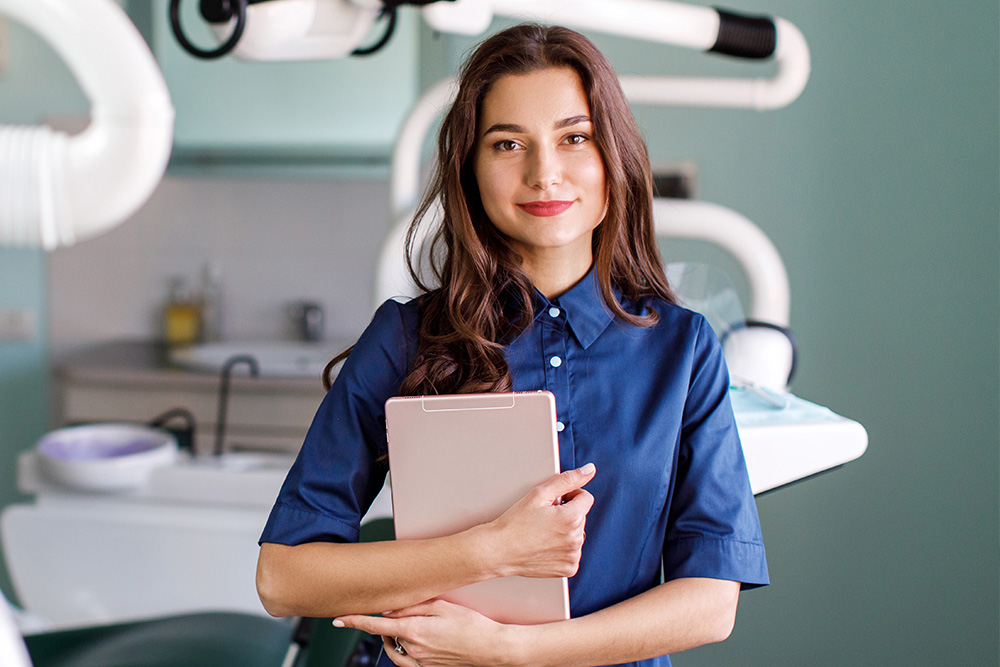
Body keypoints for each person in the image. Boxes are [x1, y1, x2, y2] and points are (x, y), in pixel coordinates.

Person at [256, 23, 767, 667]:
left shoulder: (683, 351)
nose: (543, 172)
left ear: (614, 156)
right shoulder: (403, 339)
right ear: (471, 170)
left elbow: (711, 603)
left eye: (574, 137)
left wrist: (510, 650)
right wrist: (489, 549)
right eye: (507, 143)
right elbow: (283, 578)